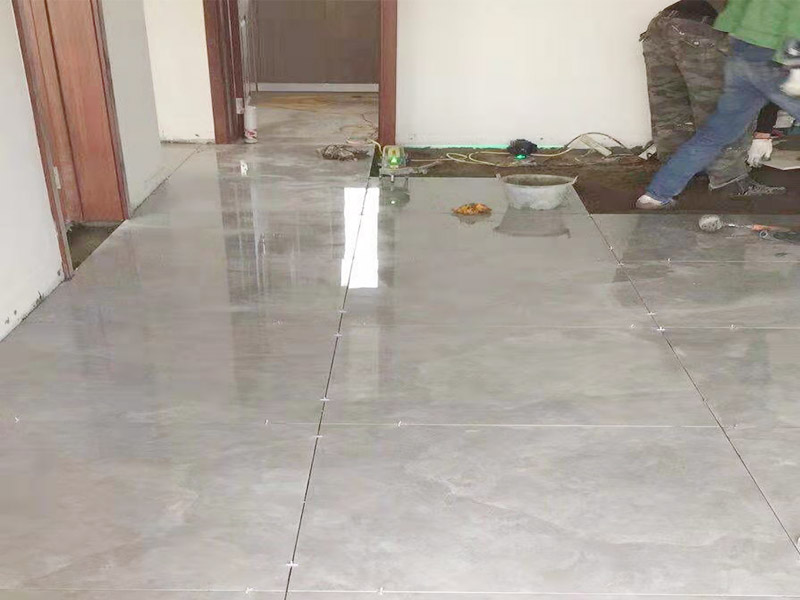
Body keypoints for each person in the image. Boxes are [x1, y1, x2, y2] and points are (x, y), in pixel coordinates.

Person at [637, 0, 800, 210]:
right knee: (718, 123)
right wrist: (795, 66)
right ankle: (728, 181)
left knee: (717, 130)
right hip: (769, 56)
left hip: (740, 55)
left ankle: (656, 195)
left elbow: (732, 14)